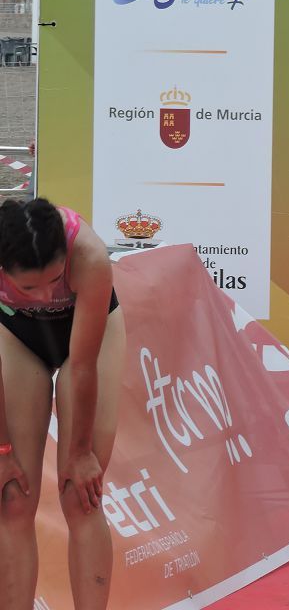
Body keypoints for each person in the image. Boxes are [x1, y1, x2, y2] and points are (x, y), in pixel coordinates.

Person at [0, 198, 125, 608]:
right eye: (29, 287)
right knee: (12, 496)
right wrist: (2, 451)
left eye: (54, 280)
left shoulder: (89, 255)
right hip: (18, 337)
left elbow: (84, 365)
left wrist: (81, 451)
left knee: (81, 494)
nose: (46, 293)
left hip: (86, 339)